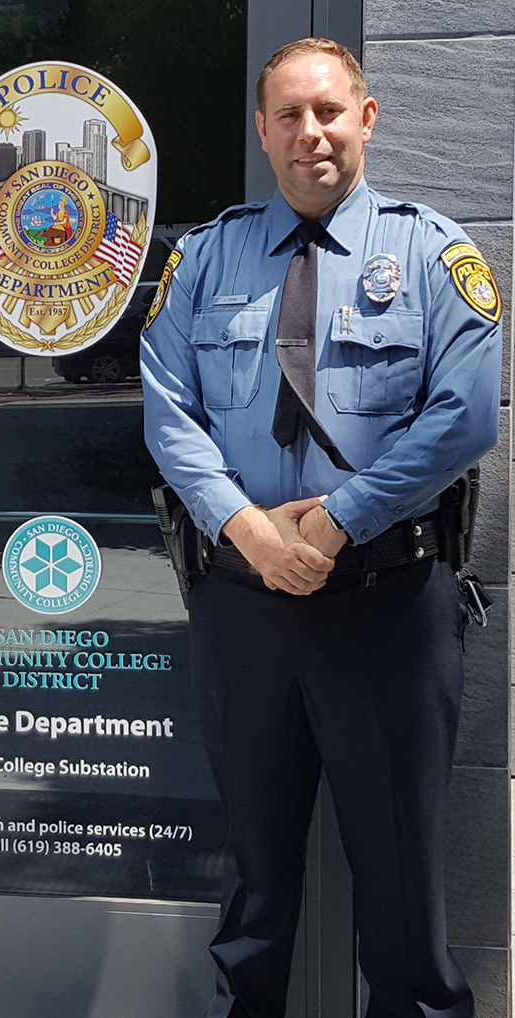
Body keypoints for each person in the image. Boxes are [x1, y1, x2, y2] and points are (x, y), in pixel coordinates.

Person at [141, 38, 501, 1018]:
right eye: (289, 116)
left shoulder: (432, 253)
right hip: (242, 609)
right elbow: (167, 411)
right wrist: (249, 531)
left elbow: (466, 415)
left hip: (386, 609)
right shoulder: (205, 257)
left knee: (398, 878)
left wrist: (341, 519)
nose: (310, 134)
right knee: (254, 871)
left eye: (329, 112)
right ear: (262, 131)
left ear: (367, 118)